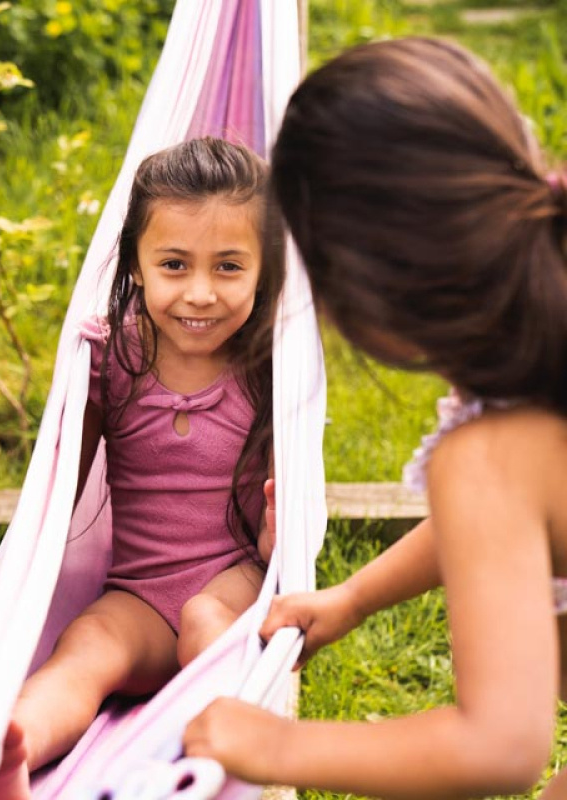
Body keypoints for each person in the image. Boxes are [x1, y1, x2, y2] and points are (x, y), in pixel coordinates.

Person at [183, 36, 567, 799]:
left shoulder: (489, 460)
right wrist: (354, 596)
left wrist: (278, 748)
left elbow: (502, 745)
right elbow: (522, 519)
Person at [0, 136, 284, 800]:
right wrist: (76, 385)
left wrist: (277, 542)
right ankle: (13, 749)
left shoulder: (269, 366)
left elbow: (286, 505)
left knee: (205, 622)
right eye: (174, 264)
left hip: (230, 583)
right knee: (87, 647)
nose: (199, 294)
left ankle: (195, 767)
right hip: (140, 596)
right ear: (137, 267)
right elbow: (65, 484)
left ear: (265, 272)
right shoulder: (114, 358)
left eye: (229, 267)